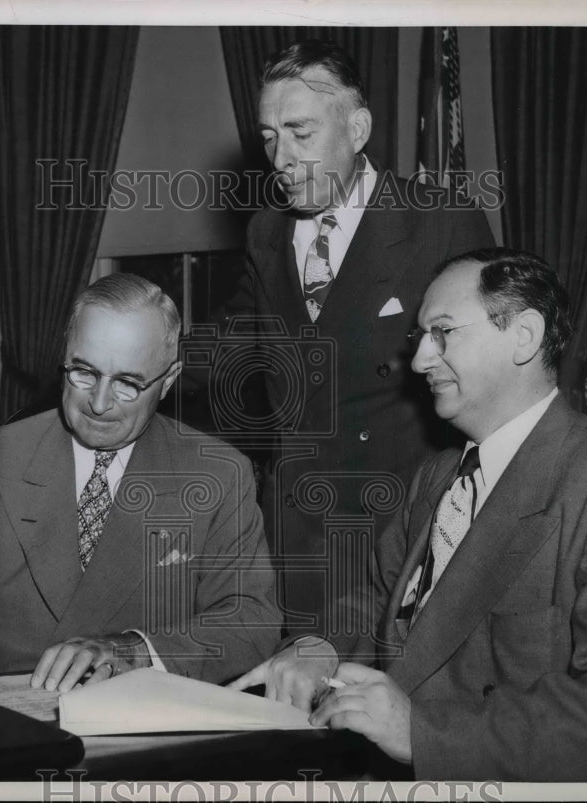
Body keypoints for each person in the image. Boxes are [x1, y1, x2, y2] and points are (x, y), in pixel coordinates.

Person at [233, 248, 587, 780]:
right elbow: (378, 599)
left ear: (523, 336)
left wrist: (423, 734)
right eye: (419, 338)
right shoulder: (437, 476)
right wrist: (316, 647)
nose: (417, 361)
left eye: (443, 332)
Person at [206, 39, 494, 639]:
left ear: (357, 128)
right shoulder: (266, 233)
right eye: (268, 136)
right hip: (295, 544)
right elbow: (231, 345)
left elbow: (491, 392)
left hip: (400, 544)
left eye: (299, 131)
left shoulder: (435, 222)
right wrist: (142, 349)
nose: (279, 157)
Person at [0, 273, 280, 696]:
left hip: (150, 730)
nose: (98, 403)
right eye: (84, 372)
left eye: (128, 383)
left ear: (168, 381)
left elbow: (249, 621)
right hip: (12, 726)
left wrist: (133, 651)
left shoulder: (218, 474)